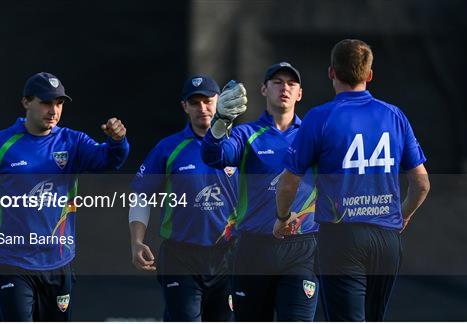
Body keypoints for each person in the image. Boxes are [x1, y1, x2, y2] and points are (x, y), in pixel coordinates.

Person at [0, 72, 130, 321]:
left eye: (59, 103)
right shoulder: (1, 144)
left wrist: (118, 142)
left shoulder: (72, 142)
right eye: (45, 102)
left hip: (58, 262)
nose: (53, 110)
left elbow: (109, 160)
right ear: (25, 102)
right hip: (12, 262)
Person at [275, 39, 430, 321]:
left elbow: (288, 182)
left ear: (331, 72)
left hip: (342, 238)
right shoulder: (394, 115)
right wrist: (402, 215)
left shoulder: (320, 117)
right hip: (386, 239)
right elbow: (421, 184)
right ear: (369, 75)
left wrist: (282, 217)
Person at [201, 63, 319, 321]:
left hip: (301, 248)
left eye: (291, 83)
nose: (284, 88)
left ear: (299, 93)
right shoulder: (247, 134)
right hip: (253, 249)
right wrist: (219, 123)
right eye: (277, 82)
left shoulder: (312, 134)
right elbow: (214, 156)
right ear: (264, 89)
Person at [129, 75, 241, 321]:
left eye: (208, 101)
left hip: (227, 257)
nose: (203, 108)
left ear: (219, 101)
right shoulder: (169, 148)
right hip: (181, 256)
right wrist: (137, 241)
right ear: (185, 107)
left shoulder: (237, 144)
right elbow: (140, 194)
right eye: (195, 102)